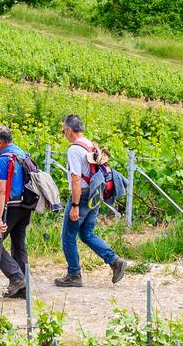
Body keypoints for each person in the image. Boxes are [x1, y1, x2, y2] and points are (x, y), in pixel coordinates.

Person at [55, 114, 128, 288]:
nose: (64, 133)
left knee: (68, 236)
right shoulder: (90, 144)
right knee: (86, 233)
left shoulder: (74, 149)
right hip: (96, 193)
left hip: (83, 195)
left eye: (64, 130)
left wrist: (74, 205)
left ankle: (74, 274)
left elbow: (75, 179)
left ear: (69, 130)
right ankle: (115, 261)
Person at [0, 125, 35, 299]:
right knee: (18, 244)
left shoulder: (4, 159)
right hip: (25, 206)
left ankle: (16, 278)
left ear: (0, 142)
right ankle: (23, 288)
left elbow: (2, 191)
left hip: (10, 208)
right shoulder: (22, 153)